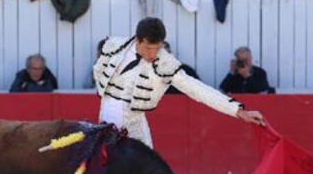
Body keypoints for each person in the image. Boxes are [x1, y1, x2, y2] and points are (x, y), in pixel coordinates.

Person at [94, 17, 263, 148]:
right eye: (148, 48)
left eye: (157, 48)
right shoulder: (114, 46)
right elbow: (98, 71)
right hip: (104, 125)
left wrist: (238, 111)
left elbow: (197, 89)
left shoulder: (165, 64)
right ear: (137, 41)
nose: (153, 54)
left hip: (134, 131)